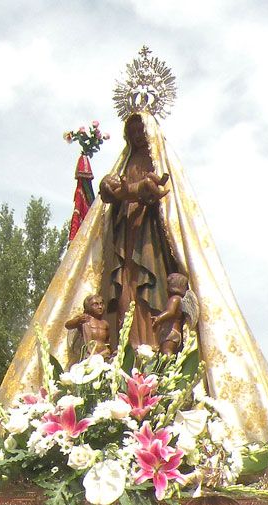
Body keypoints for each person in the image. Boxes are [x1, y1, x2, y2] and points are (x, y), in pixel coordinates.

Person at [99, 112, 179, 349]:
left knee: (150, 285)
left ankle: (151, 347)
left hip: (150, 233)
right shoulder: (126, 162)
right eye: (132, 133)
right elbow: (110, 191)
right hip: (127, 231)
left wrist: (136, 190)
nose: (137, 137)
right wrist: (108, 186)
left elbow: (163, 192)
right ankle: (128, 348)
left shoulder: (159, 160)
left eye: (140, 131)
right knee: (127, 285)